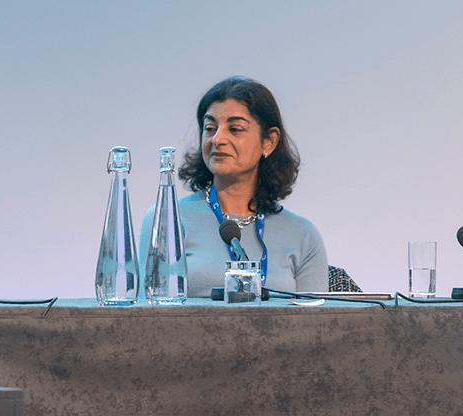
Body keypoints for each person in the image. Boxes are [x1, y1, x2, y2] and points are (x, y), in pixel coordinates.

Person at [139, 76, 328, 297]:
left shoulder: (303, 235)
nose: (218, 139)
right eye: (210, 128)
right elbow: (146, 318)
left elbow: (319, 326)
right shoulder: (166, 221)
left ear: (269, 141)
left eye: (235, 129)